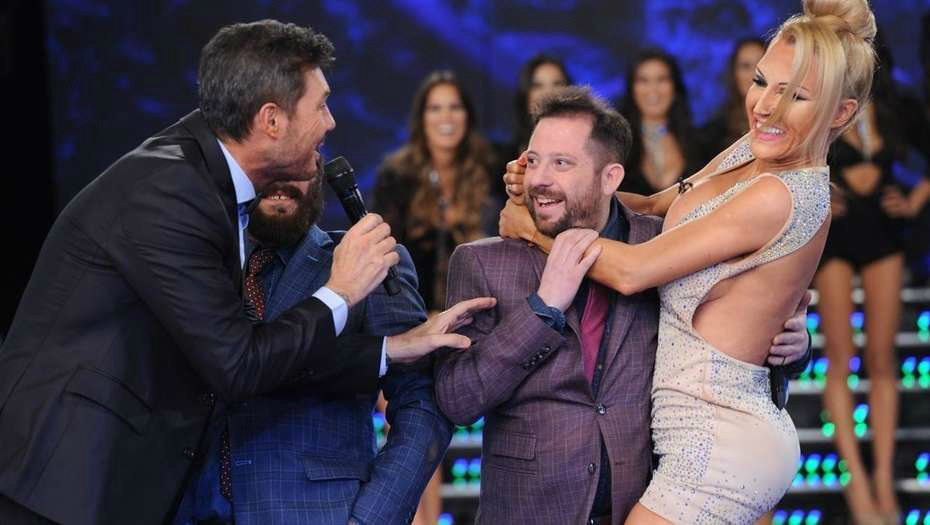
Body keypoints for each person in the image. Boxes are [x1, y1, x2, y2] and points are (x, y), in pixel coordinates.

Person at [0, 20, 488, 525]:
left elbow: (244, 351)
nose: (331, 123)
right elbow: (238, 364)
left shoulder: (201, 182)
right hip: (59, 486)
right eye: (321, 105)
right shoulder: (172, 194)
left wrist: (389, 349)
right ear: (272, 120)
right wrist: (341, 292)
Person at [500, 0, 878, 521]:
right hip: (687, 431)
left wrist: (534, 228)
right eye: (762, 82)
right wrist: (555, 189)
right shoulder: (757, 149)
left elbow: (632, 270)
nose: (766, 107)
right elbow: (653, 206)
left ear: (841, 114)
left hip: (721, 440)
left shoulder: (782, 194)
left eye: (795, 96)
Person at [438, 86, 812, 525]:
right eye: (533, 161)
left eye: (562, 163)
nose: (538, 179)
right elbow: (457, 400)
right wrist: (542, 309)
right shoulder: (483, 262)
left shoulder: (664, 246)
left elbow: (734, 350)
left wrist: (790, 347)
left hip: (641, 509)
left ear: (610, 178)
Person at [174, 173, 452, 525]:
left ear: (318, 170)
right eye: (269, 164)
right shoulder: (194, 267)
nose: (280, 181)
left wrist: (373, 517)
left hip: (323, 513)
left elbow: (421, 402)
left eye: (296, 165)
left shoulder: (368, 259)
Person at [814, 31, 930, 524]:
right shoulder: (820, 101)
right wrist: (820, 193)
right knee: (842, 358)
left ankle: (882, 479)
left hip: (884, 232)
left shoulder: (897, 106)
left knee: (882, 359)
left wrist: (915, 201)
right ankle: (856, 481)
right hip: (836, 238)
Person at [374, 70, 497, 313]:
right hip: (414, 317)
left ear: (468, 116)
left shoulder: (492, 171)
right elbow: (384, 260)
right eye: (435, 108)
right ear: (421, 118)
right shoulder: (396, 178)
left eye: (455, 107)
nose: (446, 117)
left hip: (484, 314)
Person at [619, 50, 704, 196]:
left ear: (675, 87)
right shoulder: (616, 145)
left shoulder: (701, 143)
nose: (653, 90)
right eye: (643, 80)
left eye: (662, 80)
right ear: (632, 89)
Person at [491, 54, 573, 203]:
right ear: (526, 96)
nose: (549, 93)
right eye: (537, 86)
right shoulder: (502, 159)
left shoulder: (587, 149)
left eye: (557, 84)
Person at [700, 37, 767, 161]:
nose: (754, 75)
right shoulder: (713, 134)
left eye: (760, 64)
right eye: (745, 66)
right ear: (734, 74)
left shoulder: (789, 122)